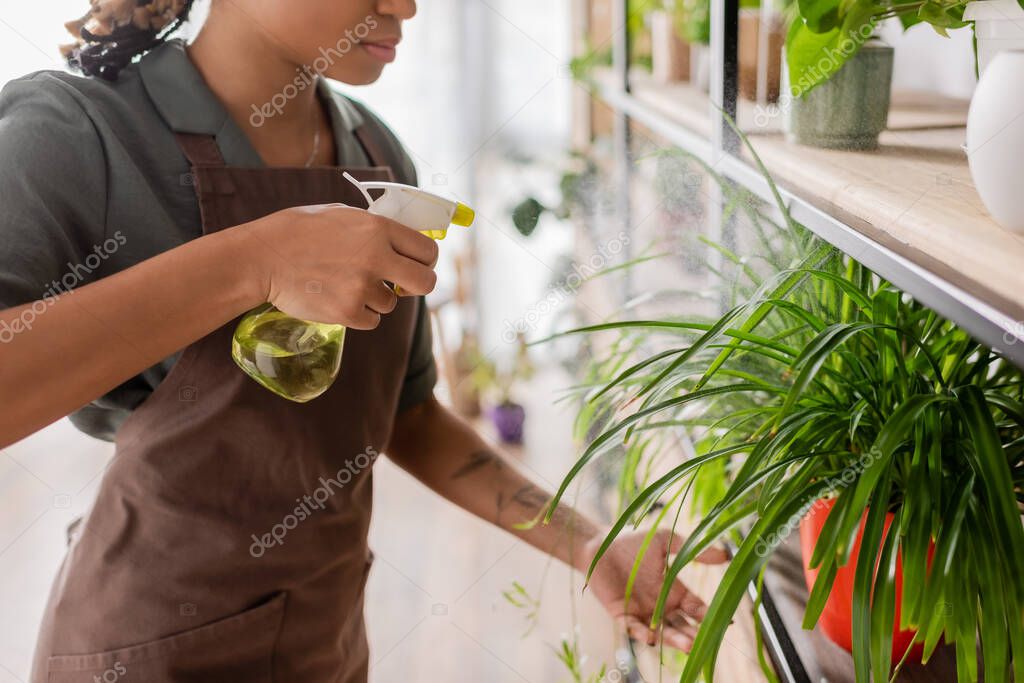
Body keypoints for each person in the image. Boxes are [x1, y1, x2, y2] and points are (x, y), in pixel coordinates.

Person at [0, 1, 726, 680]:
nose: (407, 6)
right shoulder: (77, 132)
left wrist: (590, 544)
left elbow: (405, 415)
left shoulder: (378, 157)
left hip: (329, 646)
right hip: (147, 648)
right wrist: (258, 260)